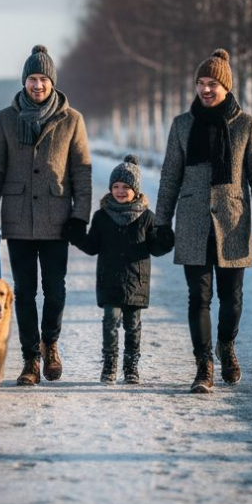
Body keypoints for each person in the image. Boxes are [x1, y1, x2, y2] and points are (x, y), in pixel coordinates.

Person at [154, 48, 252, 394]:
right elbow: (169, 176)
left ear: (226, 87)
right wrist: (162, 222)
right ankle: (204, 364)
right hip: (192, 221)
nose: (206, 90)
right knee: (198, 297)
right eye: (201, 83)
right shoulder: (181, 125)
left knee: (232, 297)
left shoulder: (246, 126)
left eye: (213, 84)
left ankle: (227, 347)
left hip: (232, 222)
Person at [0, 45, 92, 386]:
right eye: (32, 79)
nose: (38, 85)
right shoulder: (5, 119)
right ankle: (31, 359)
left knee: (55, 291)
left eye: (43, 79)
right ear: (24, 82)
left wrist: (79, 216)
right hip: (17, 219)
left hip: (57, 219)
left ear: (52, 82)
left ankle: (51, 345)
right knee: (24, 293)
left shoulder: (72, 120)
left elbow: (82, 173)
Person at [69, 155, 172, 385]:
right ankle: (109, 365)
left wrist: (165, 241)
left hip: (136, 281)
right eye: (116, 186)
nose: (120, 191)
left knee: (132, 326)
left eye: (126, 186)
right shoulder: (102, 216)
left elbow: (155, 248)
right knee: (109, 322)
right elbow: (92, 246)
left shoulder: (147, 218)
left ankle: (131, 366)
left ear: (136, 190)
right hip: (109, 281)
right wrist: (77, 237)